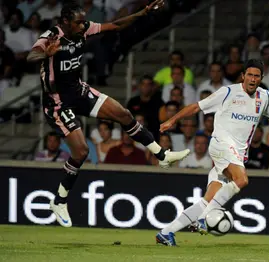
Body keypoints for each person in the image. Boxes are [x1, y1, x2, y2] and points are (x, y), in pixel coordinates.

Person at [26, 0, 190, 228]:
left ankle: (161, 155)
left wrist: (142, 13)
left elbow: (115, 25)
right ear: (65, 22)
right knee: (81, 151)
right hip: (58, 102)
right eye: (78, 23)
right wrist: (45, 54)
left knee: (122, 113)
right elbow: (30, 56)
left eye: (84, 22)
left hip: (78, 90)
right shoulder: (52, 35)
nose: (83, 26)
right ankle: (59, 200)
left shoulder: (83, 29)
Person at [155, 59, 269, 246]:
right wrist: (172, 120)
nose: (253, 79)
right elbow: (197, 106)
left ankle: (166, 233)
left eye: (257, 76)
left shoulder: (265, 97)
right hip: (220, 144)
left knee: (208, 200)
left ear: (261, 78)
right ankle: (205, 220)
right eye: (250, 75)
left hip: (236, 154)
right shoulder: (228, 92)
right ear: (243, 76)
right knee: (242, 180)